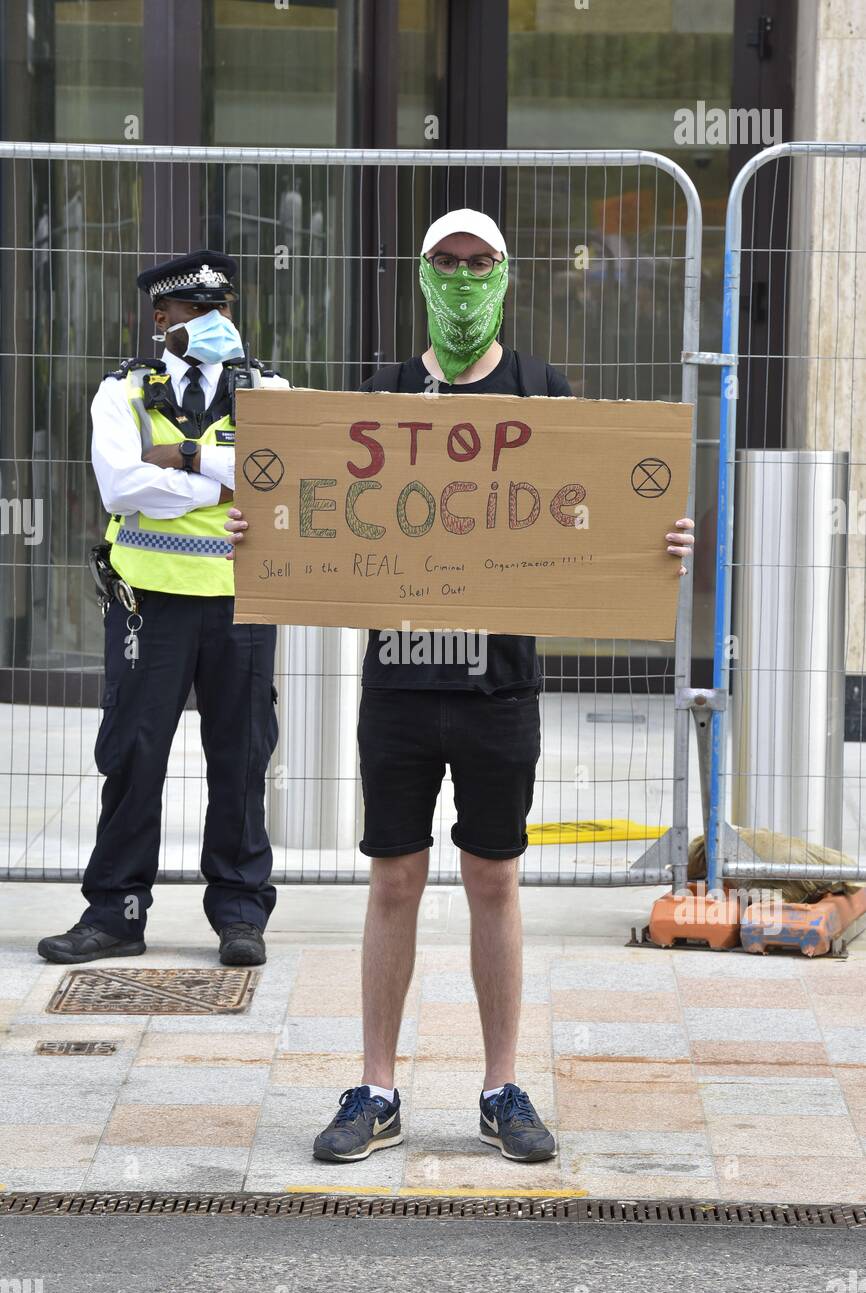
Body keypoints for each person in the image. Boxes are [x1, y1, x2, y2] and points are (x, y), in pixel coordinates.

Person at [225, 209, 695, 1162]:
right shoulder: (387, 394)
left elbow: (586, 513)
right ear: (424, 274)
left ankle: (502, 1087)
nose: (466, 277)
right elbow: (322, 514)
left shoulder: (539, 389)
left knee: (494, 880)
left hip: (500, 689)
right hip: (397, 687)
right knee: (393, 879)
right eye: (449, 261)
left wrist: (658, 546)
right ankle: (375, 1088)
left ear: (507, 275)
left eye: (482, 262)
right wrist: (259, 537)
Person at [38, 251, 290, 969]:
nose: (216, 324)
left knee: (241, 756)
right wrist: (221, 487)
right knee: (134, 753)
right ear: (162, 319)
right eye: (198, 312)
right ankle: (115, 911)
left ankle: (241, 914)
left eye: (224, 309)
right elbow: (120, 486)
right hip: (149, 601)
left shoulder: (268, 389)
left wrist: (179, 459)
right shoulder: (121, 392)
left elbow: (285, 474)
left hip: (242, 601)